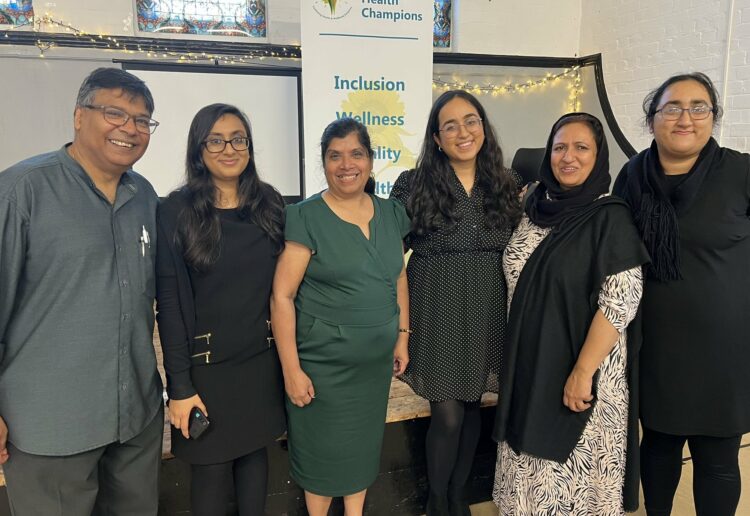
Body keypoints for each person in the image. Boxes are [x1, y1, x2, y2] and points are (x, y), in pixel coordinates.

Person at [0, 67, 163, 514]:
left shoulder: (144, 196)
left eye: (142, 120)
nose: (130, 129)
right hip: (52, 427)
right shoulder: (22, 191)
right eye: (115, 113)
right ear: (78, 116)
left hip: (135, 419)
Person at [493, 113, 649, 515]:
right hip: (532, 364)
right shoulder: (532, 208)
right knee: (528, 475)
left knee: (569, 488)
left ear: (598, 157)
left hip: (583, 370)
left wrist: (582, 373)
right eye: (560, 147)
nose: (568, 157)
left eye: (582, 148)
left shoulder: (610, 216)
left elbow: (620, 303)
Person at [614, 72, 750, 516]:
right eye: (671, 107)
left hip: (723, 348)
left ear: (713, 116)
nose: (685, 118)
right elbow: (612, 250)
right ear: (652, 118)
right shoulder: (633, 176)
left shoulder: (741, 172)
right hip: (655, 344)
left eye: (698, 107)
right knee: (657, 446)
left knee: (717, 457)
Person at [389, 90, 521, 515]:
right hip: (436, 306)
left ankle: (458, 499)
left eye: (471, 121)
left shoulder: (507, 183)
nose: (463, 132)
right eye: (451, 125)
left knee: (471, 408)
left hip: (487, 307)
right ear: (436, 137)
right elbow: (390, 258)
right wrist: (402, 330)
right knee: (447, 413)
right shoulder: (413, 184)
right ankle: (437, 501)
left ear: (483, 127)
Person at [271, 118, 410, 516]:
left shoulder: (390, 212)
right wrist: (291, 370)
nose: (346, 164)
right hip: (322, 368)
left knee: (362, 452)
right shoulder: (306, 216)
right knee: (321, 459)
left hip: (373, 369)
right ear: (324, 162)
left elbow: (398, 275)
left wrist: (402, 335)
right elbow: (282, 295)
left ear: (369, 160)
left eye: (356, 154)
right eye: (335, 155)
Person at [156, 103, 286, 515]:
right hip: (205, 372)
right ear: (199, 149)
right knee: (210, 484)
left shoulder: (270, 204)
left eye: (238, 139)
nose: (229, 148)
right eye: (216, 139)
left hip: (260, 364)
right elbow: (170, 304)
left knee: (255, 470)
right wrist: (179, 386)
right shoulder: (176, 211)